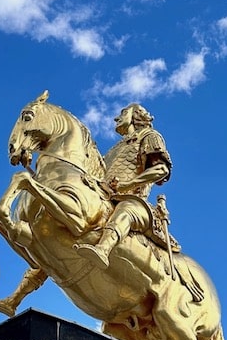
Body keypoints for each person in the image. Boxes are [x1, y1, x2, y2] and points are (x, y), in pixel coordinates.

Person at [73, 103, 172, 269]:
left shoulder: (150, 136)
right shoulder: (116, 148)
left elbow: (161, 169)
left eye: (123, 113)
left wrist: (128, 184)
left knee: (126, 211)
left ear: (136, 116)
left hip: (134, 200)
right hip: (105, 194)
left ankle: (103, 249)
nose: (116, 118)